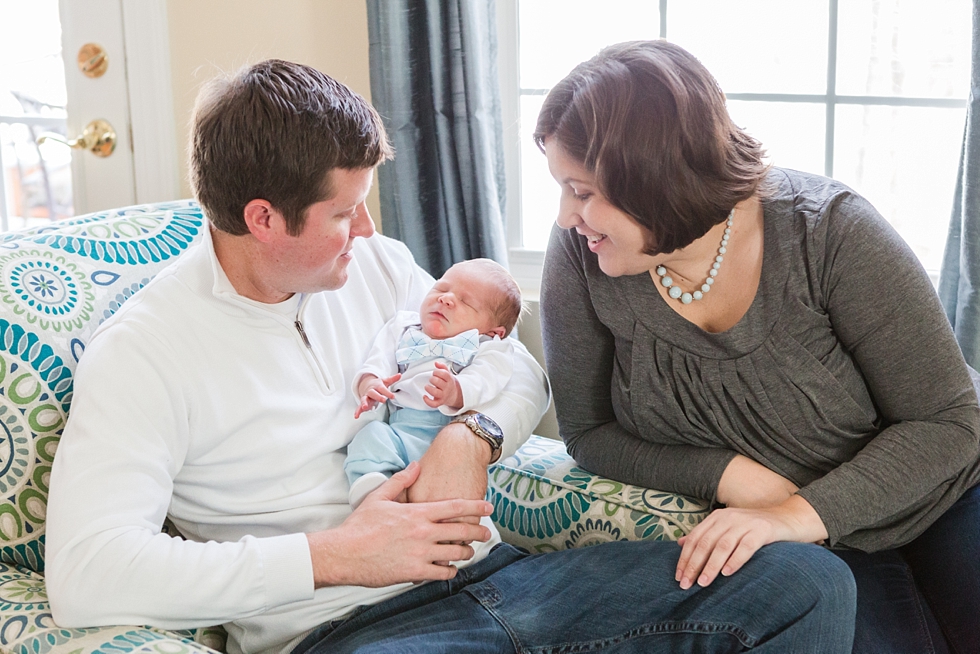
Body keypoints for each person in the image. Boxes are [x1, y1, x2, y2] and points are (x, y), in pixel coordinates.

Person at [44, 59, 858, 654]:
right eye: (346, 213)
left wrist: (475, 437)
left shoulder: (380, 270)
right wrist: (333, 557)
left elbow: (511, 364)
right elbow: (87, 573)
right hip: (346, 632)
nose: (369, 233)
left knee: (804, 584)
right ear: (263, 218)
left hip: (503, 581)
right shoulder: (145, 354)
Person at [536, 40, 980, 654]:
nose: (565, 217)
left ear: (656, 179)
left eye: (582, 192)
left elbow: (950, 420)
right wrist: (730, 477)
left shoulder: (830, 232)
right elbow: (588, 433)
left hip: (945, 498)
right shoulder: (583, 259)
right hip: (815, 547)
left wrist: (795, 514)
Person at [346, 258, 520, 508]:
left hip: (446, 438)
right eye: (441, 288)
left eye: (466, 301)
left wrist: (456, 390)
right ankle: (375, 496)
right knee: (369, 438)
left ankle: (443, 519)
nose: (446, 299)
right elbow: (379, 357)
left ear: (494, 331)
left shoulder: (489, 346)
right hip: (399, 428)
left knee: (456, 483)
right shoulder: (403, 326)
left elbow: (488, 378)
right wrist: (370, 383)